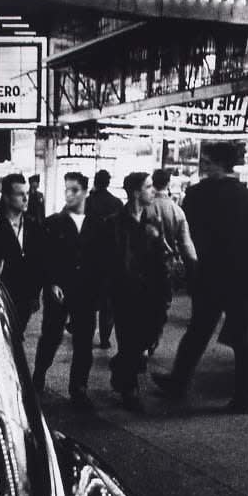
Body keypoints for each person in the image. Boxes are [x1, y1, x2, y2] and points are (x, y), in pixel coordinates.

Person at [152, 141, 248, 414]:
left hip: (210, 276)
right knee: (242, 339)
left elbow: (190, 237)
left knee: (198, 331)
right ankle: (242, 397)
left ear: (215, 163)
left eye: (206, 161)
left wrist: (192, 271)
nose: (203, 165)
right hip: (241, 279)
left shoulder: (198, 194)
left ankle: (178, 383)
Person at [32, 171, 104, 409]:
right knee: (51, 336)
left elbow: (101, 259)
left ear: (85, 192)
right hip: (60, 290)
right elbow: (43, 257)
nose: (69, 194)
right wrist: (50, 282)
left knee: (84, 342)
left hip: (86, 291)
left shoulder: (96, 224)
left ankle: (79, 388)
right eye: (67, 189)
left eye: (74, 189)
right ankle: (39, 374)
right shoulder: (53, 223)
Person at [104, 172, 168, 411]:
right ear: (135, 192)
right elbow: (115, 260)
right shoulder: (115, 223)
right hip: (125, 292)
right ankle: (129, 389)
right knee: (129, 340)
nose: (153, 191)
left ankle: (120, 370)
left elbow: (159, 257)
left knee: (146, 338)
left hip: (150, 291)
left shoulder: (153, 221)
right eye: (148, 187)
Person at [0, 173, 48, 332]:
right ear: (6, 197)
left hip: (26, 297)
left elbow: (39, 261)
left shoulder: (33, 226)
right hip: (2, 296)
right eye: (20, 194)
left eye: (26, 194)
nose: (26, 199)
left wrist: (35, 293)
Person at [148, 167, 198, 350]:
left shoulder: (144, 207)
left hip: (142, 266)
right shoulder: (177, 211)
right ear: (168, 184)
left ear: (152, 183)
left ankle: (143, 345)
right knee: (161, 306)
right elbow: (186, 244)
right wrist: (193, 264)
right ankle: (153, 339)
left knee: (142, 304)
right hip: (166, 267)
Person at [86, 169, 123, 349]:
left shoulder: (87, 202)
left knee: (89, 297)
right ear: (108, 183)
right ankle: (105, 338)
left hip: (90, 257)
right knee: (108, 301)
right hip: (110, 258)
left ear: (96, 181)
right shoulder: (116, 203)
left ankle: (85, 331)